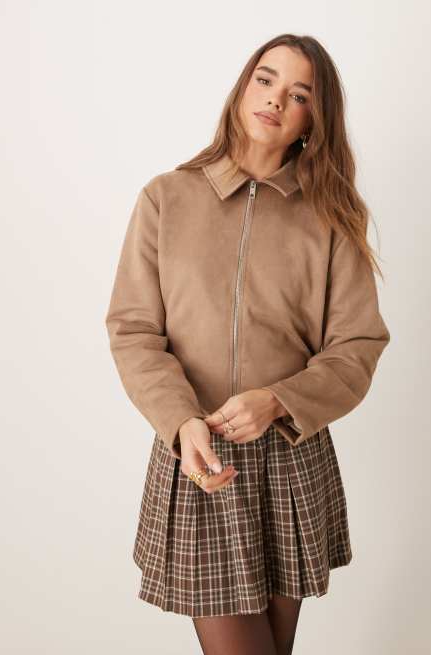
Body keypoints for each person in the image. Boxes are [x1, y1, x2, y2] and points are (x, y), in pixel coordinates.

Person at [105, 33, 391, 655]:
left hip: (290, 457)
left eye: (299, 94)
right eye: (265, 79)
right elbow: (133, 330)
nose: (275, 100)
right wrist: (181, 421)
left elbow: (358, 344)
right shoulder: (166, 198)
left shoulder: (332, 216)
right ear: (242, 88)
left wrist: (278, 401)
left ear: (314, 119)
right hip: (199, 456)